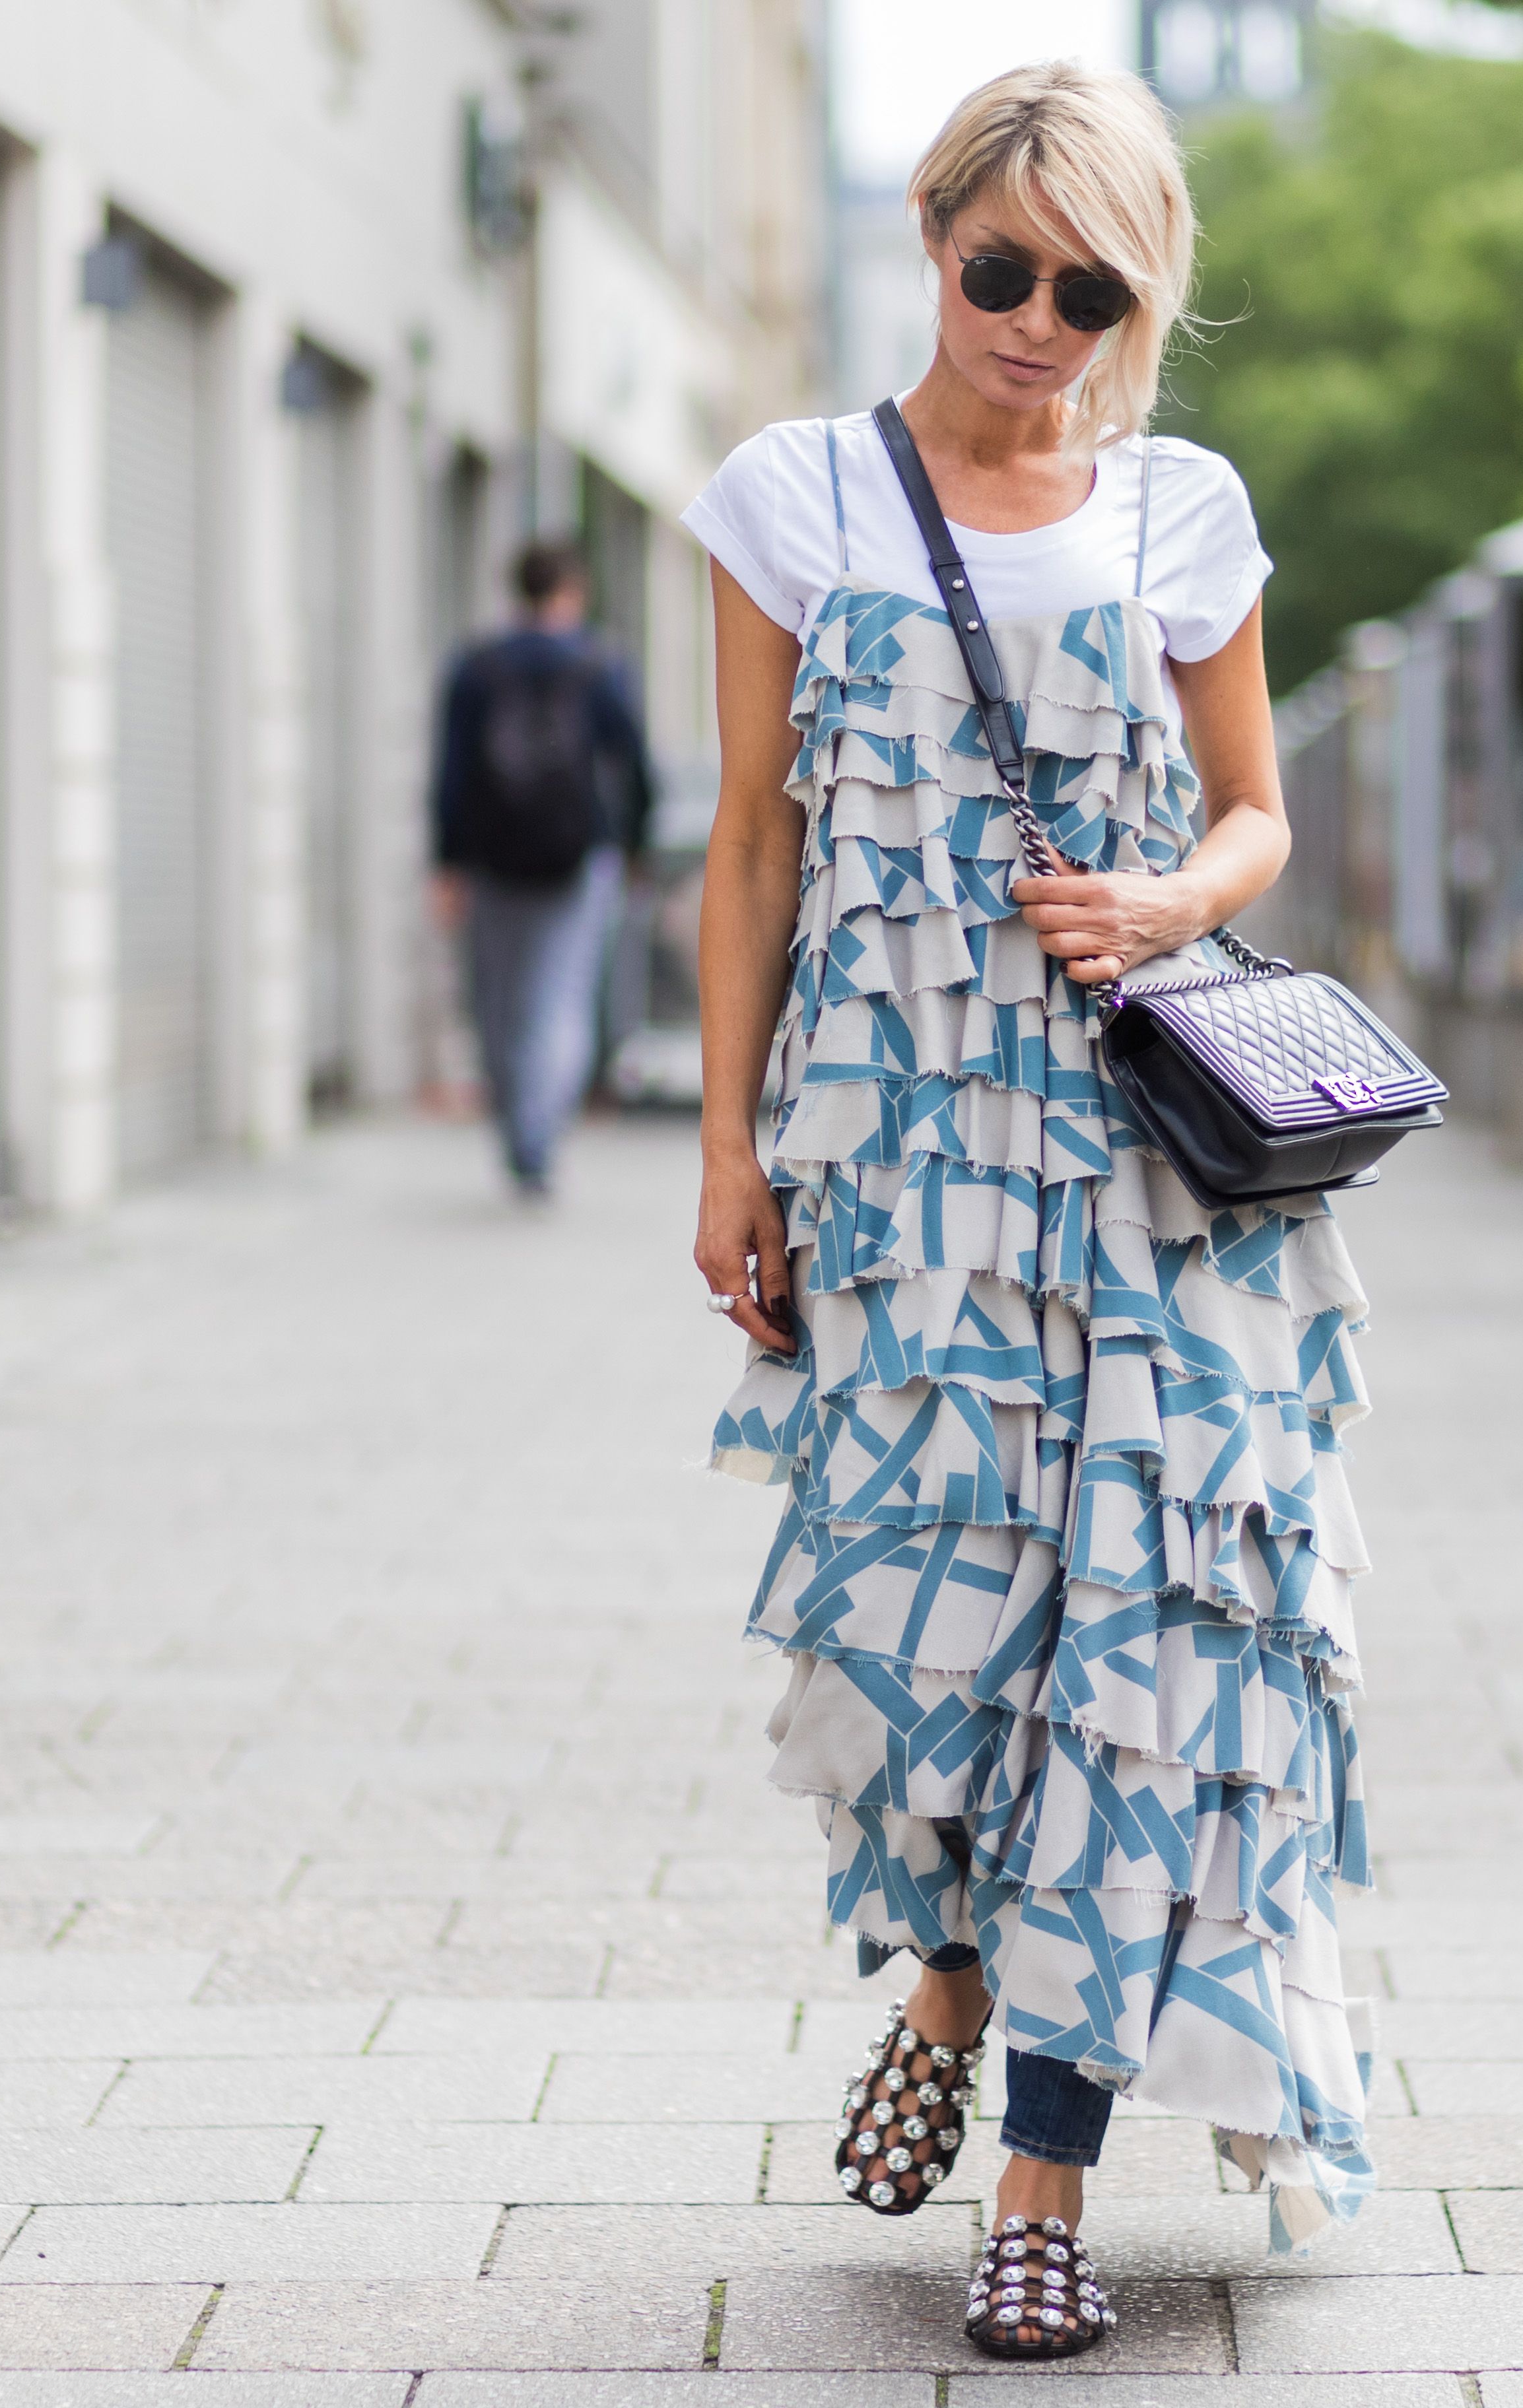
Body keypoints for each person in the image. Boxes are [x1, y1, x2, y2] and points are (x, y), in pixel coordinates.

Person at [682, 61, 1374, 2360]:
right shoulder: (798, 498)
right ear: (935, 231)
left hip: (1153, 1183)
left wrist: (1174, 892)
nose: (1041, 323)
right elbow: (753, 852)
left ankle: (1045, 2186)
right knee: (928, 1644)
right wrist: (726, 1154)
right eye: (1007, 269)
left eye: (1095, 288)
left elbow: (1258, 810)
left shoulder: (1183, 503)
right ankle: (954, 1977)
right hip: (900, 1177)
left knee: (1142, 1660)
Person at [428, 542, 653, 1199]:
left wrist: (447, 862)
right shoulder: (598, 664)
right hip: (577, 857)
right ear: (571, 593)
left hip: (492, 859)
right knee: (560, 997)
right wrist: (634, 844)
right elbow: (633, 763)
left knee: (497, 1001)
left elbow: (450, 773)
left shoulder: (474, 668)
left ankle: (515, 1133)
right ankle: (540, 1135)